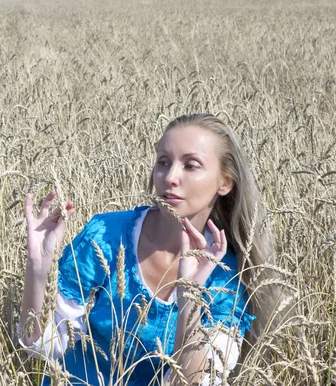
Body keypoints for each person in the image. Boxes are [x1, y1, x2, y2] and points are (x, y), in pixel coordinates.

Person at [18, 114, 276, 385]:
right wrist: (39, 264)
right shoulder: (106, 235)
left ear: (225, 182)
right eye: (163, 162)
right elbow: (40, 344)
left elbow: (192, 382)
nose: (170, 177)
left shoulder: (225, 277)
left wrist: (190, 297)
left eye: (191, 165)